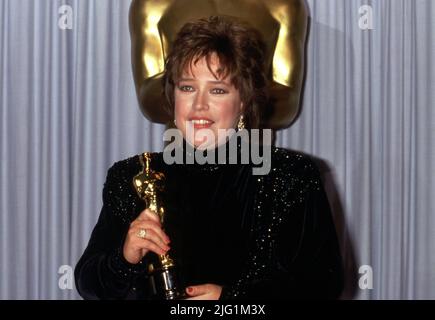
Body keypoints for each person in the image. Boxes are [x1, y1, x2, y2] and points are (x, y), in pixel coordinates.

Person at [74, 15, 343, 300]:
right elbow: (88, 284)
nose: (198, 105)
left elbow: (322, 286)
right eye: (187, 87)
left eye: (217, 90)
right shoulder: (135, 176)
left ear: (243, 102)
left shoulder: (290, 176)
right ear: (173, 94)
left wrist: (232, 301)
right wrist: (124, 258)